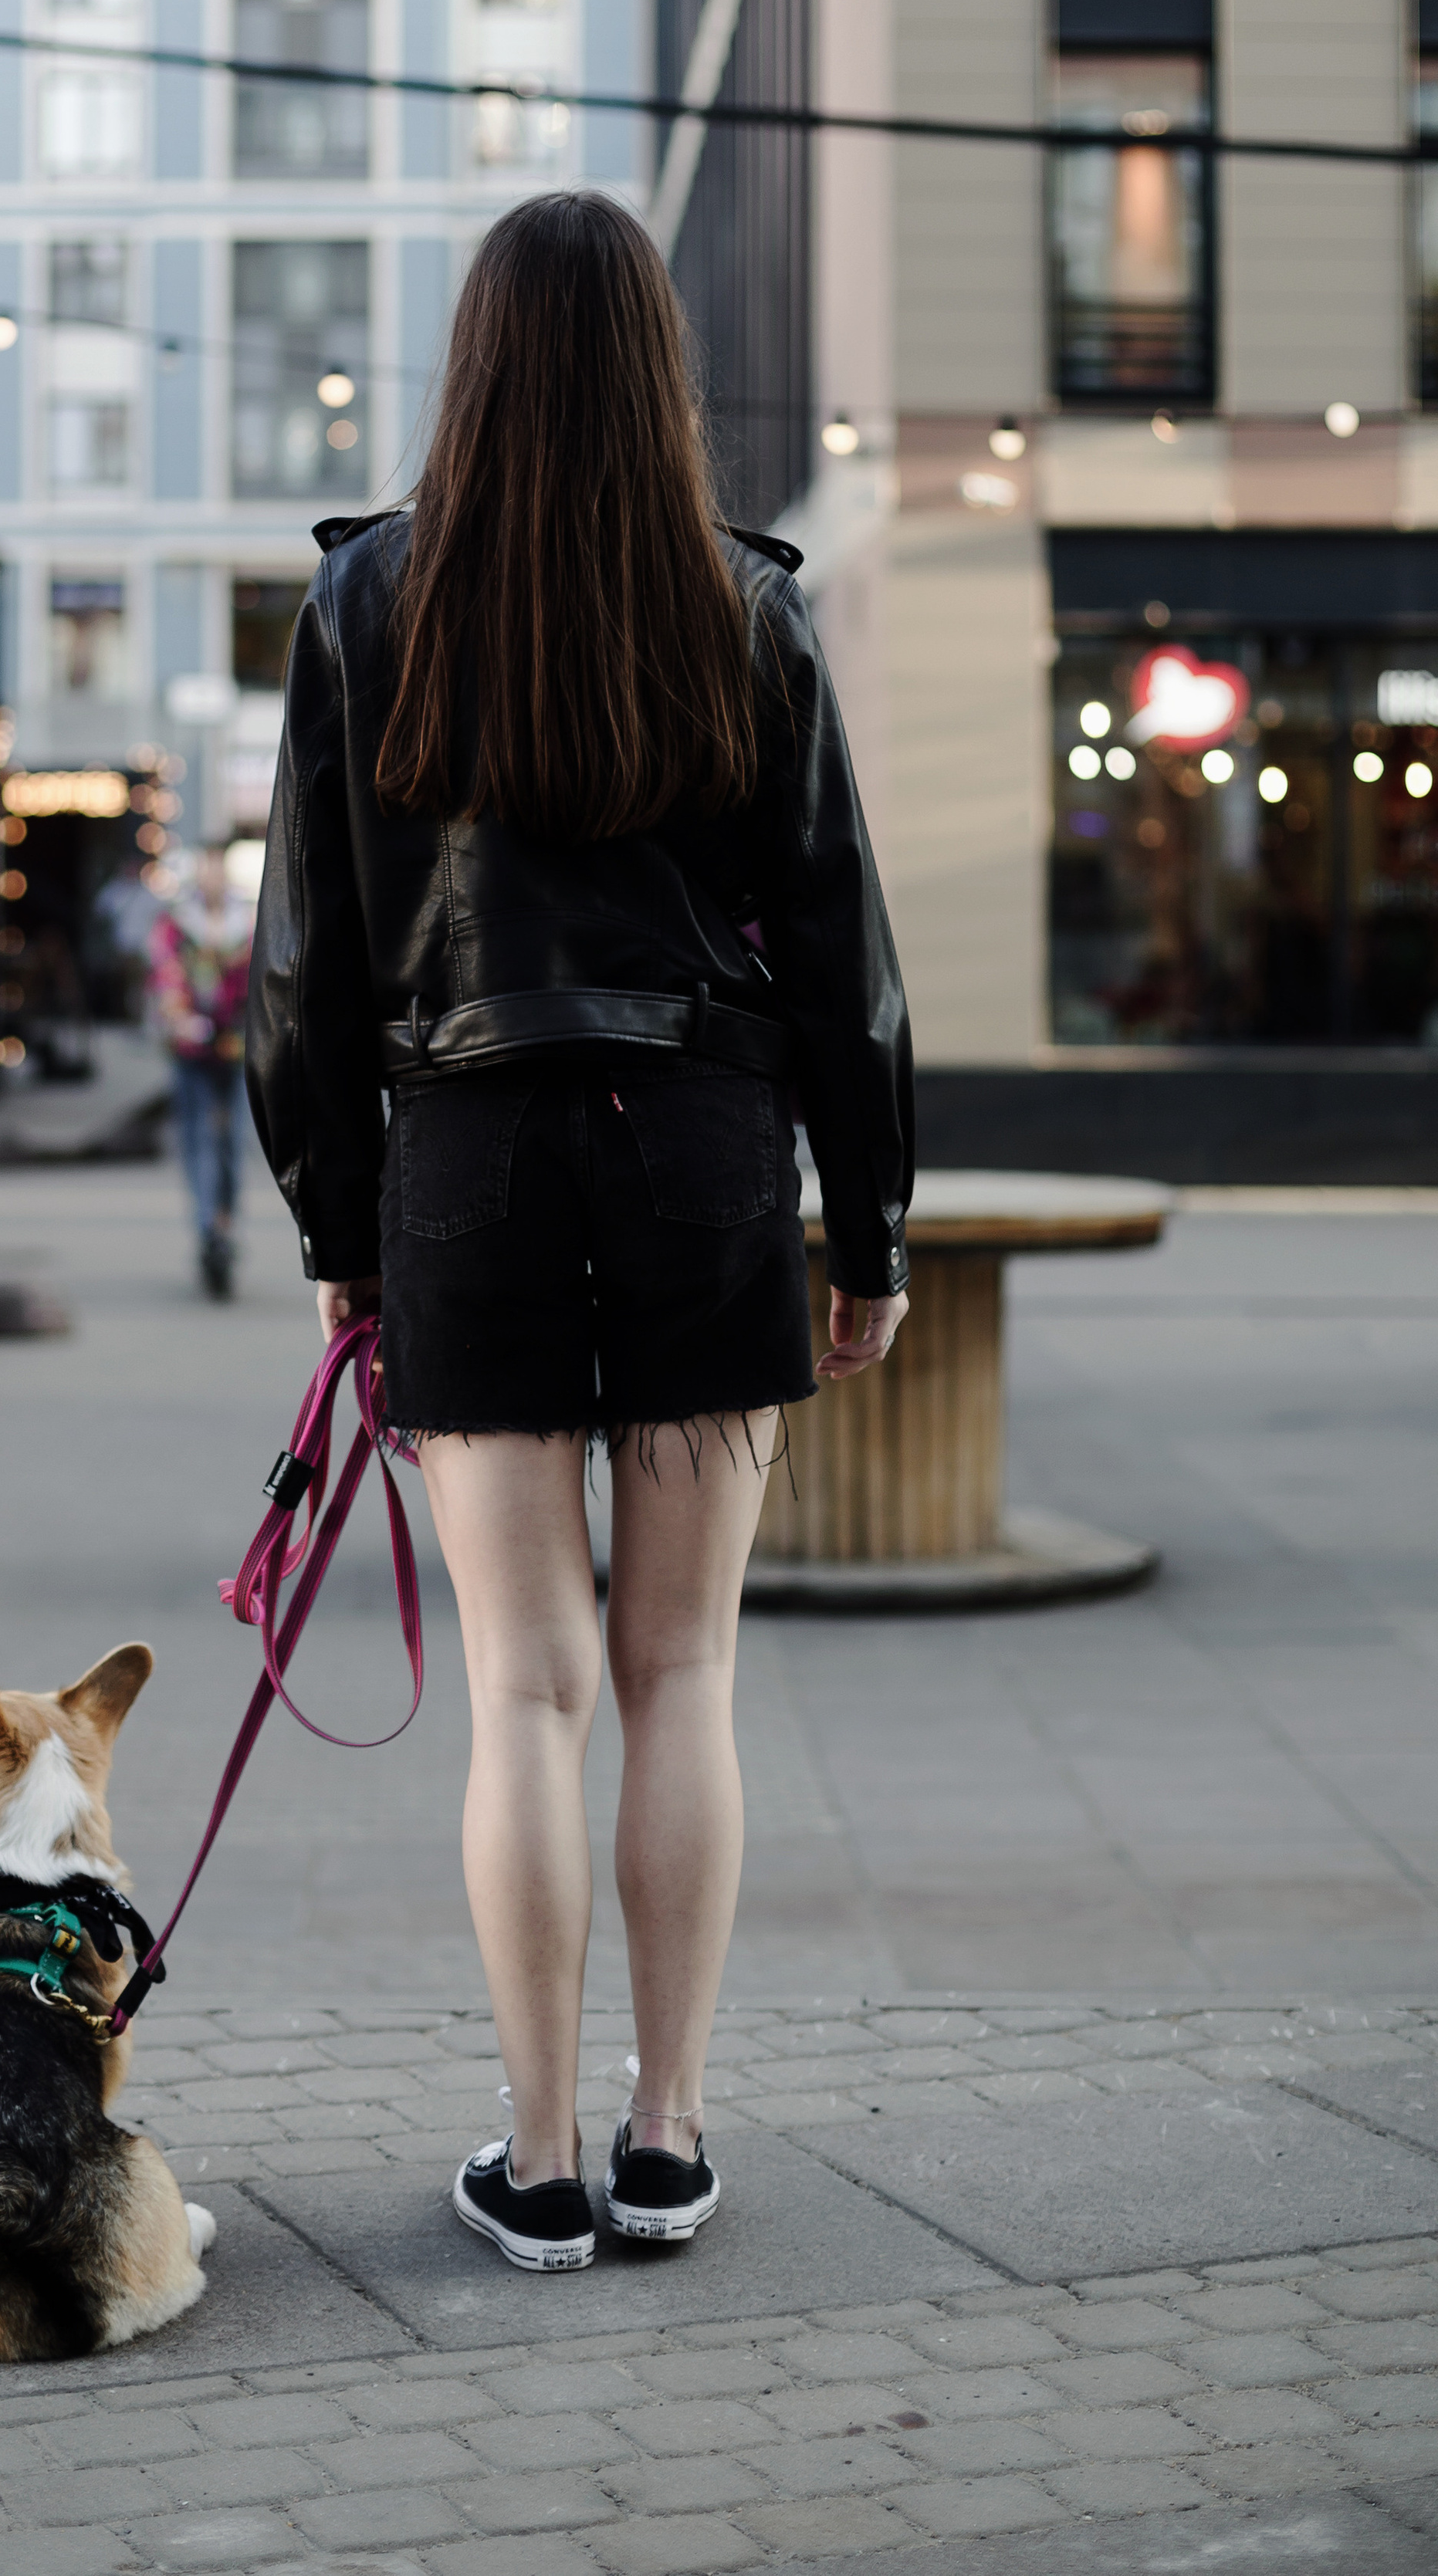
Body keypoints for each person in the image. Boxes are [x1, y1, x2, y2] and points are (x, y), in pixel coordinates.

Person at [246, 191, 912, 2273]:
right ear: (655, 366)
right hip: (703, 1143)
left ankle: (535, 2163)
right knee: (679, 1666)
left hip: (464, 1157)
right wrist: (869, 1225)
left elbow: (303, 963)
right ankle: (666, 2134)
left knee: (523, 1688)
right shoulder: (743, 603)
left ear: (471, 361)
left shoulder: (364, 601)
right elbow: (842, 945)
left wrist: (339, 1224)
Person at [148, 846, 252, 1300]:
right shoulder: (177, 924)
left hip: (237, 1048)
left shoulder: (247, 925)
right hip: (191, 1049)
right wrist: (179, 1016)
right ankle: (209, 1227)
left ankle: (224, 1222)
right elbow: (165, 975)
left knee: (232, 1142)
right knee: (198, 1141)